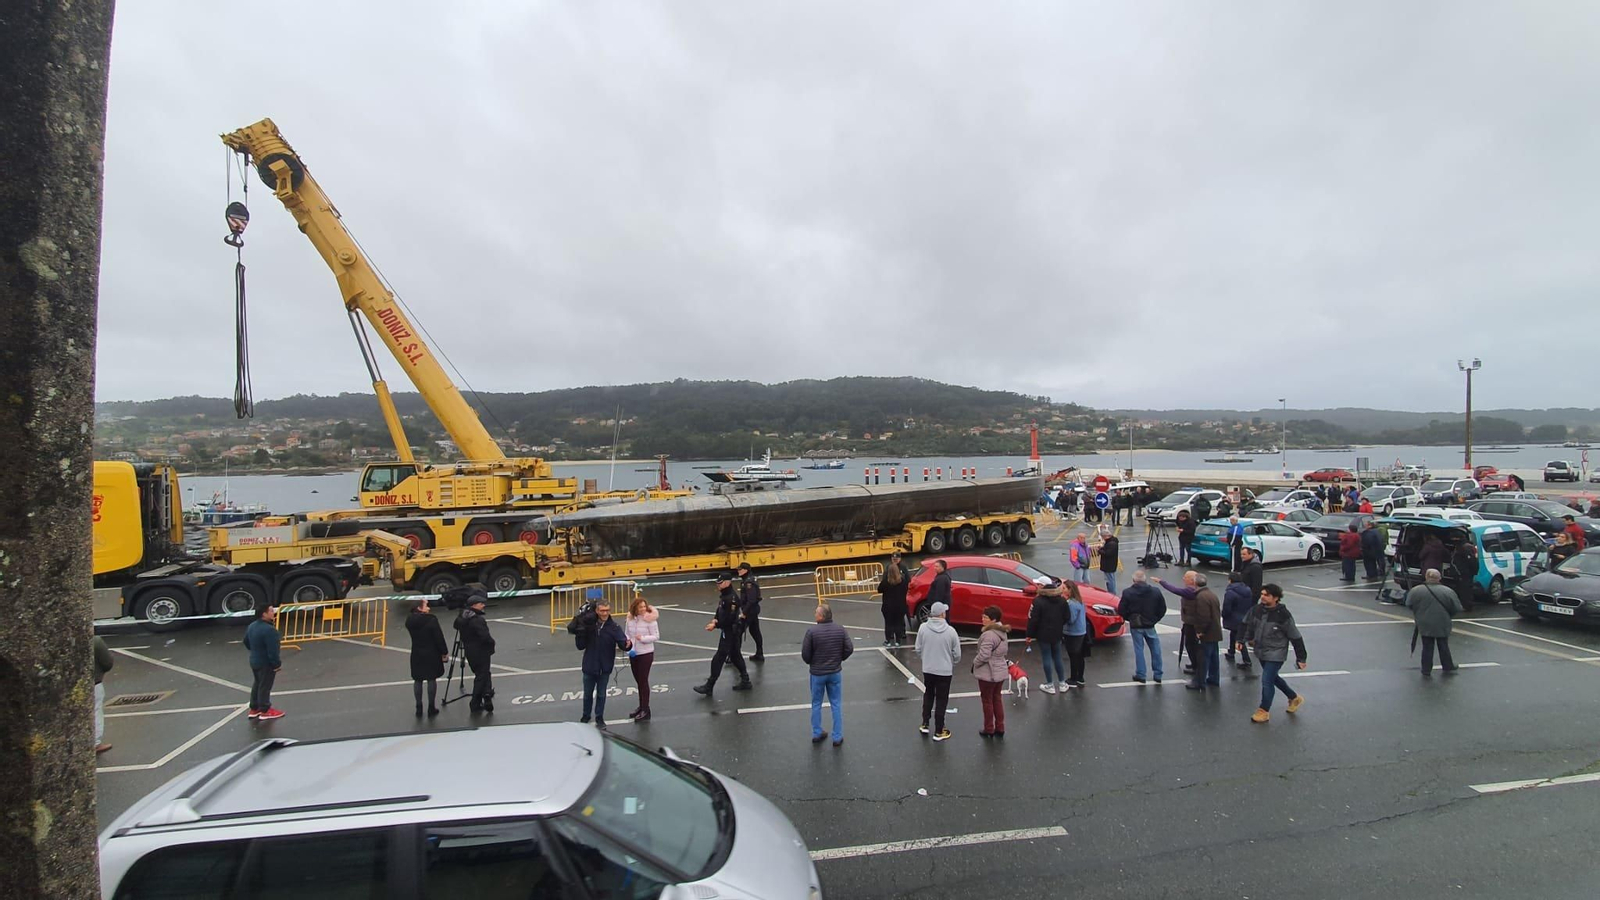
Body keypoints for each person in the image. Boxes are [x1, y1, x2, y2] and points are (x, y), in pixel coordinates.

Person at [1240, 583, 1308, 723]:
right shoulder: (1257, 610)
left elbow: (1295, 637)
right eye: (1262, 594)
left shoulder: (1283, 615)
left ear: (1276, 598)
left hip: (1276, 653)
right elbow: (1246, 624)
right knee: (1273, 678)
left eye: (1267, 595)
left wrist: (1301, 658)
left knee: (1266, 680)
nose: (1263, 597)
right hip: (1261, 650)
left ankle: (1263, 711)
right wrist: (1241, 640)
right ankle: (1294, 698)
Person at [801, 604, 854, 745]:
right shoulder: (840, 630)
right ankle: (837, 736)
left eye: (816, 613)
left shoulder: (812, 631)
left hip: (817, 673)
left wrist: (813, 662)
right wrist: (839, 659)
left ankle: (817, 732)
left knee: (816, 703)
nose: (814, 615)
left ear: (821, 616)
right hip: (834, 672)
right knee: (836, 704)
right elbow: (849, 648)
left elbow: (805, 655)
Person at [694, 573, 752, 695]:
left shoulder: (731, 598)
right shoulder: (725, 596)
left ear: (728, 582)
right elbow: (720, 609)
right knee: (735, 656)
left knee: (719, 658)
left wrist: (716, 625)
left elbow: (729, 619)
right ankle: (746, 680)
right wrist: (715, 618)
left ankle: (709, 685)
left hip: (731, 631)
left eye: (720, 583)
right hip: (729, 630)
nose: (718, 585)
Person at [578, 601, 630, 728]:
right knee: (587, 694)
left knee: (601, 694)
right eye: (602, 611)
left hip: (604, 667)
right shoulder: (589, 626)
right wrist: (580, 633)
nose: (605, 613)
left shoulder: (614, 627)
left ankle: (599, 717)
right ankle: (586, 715)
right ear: (596, 611)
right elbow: (580, 645)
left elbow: (623, 642)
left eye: (607, 610)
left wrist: (628, 645)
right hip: (590, 666)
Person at [914, 601, 962, 740]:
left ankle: (925, 723)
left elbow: (918, 648)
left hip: (928, 669)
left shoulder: (923, 628)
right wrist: (952, 662)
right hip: (944, 671)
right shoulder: (951, 631)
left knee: (928, 694)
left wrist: (925, 658)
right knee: (942, 699)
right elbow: (957, 654)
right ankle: (939, 729)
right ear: (942, 614)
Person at [1405, 569, 1462, 676]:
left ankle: (1426, 669)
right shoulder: (1448, 591)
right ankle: (1447, 665)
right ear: (1439, 578)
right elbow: (1457, 608)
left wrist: (1419, 613)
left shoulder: (1416, 590)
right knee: (1443, 645)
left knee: (1427, 646)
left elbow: (1408, 604)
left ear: (1426, 577)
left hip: (1424, 622)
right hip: (1442, 621)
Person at [1118, 570, 1167, 683]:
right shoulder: (1155, 591)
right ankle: (1158, 673)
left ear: (1134, 580)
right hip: (1150, 624)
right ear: (1145, 579)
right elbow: (1162, 608)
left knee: (1139, 649)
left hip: (1136, 624)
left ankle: (1141, 674)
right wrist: (1155, 619)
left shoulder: (1128, 592)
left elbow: (1121, 609)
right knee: (1155, 649)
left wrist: (1129, 618)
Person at [405, 596, 449, 718]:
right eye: (426, 605)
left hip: (417, 652)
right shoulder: (431, 620)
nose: (429, 607)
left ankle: (418, 707)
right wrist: (444, 652)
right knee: (431, 679)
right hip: (431, 653)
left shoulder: (409, 621)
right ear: (420, 608)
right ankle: (431, 707)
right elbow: (438, 638)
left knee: (418, 679)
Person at [454, 588, 496, 713]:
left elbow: (456, 625)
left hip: (469, 651)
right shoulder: (477, 620)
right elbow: (485, 637)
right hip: (481, 651)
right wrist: (491, 643)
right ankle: (475, 703)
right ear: (474, 605)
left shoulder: (463, 618)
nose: (483, 605)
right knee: (481, 676)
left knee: (483, 674)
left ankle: (487, 693)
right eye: (481, 603)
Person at [1024, 576, 1068, 693]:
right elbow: (1067, 617)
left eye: (1038, 584)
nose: (1036, 586)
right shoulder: (1062, 600)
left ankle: (1050, 684)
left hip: (1043, 634)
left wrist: (1029, 635)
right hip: (1057, 633)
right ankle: (1062, 683)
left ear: (1042, 586)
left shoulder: (1038, 601)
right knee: (1057, 657)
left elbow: (1033, 619)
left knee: (1046, 657)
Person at [1156, 571, 1205, 675]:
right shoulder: (1196, 590)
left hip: (1191, 623)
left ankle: (1196, 666)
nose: (1183, 578)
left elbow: (1175, 590)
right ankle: (1195, 663)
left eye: (1186, 577)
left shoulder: (1190, 591)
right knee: (1192, 645)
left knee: (1191, 645)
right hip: (1191, 621)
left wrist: (1161, 582)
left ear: (1192, 580)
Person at [972, 605, 1009, 737]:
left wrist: (975, 663)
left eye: (985, 617)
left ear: (993, 620)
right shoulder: (1002, 632)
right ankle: (1000, 726)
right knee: (997, 699)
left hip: (988, 673)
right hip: (1000, 670)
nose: (982, 619)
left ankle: (989, 728)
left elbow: (984, 655)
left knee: (987, 701)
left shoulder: (988, 634)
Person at [244, 604, 284, 721]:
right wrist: (276, 664)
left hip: (254, 660)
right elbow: (273, 650)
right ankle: (265, 709)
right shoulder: (269, 630)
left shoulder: (252, 626)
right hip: (265, 663)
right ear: (264, 614)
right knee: (265, 686)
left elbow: (246, 641)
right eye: (271, 611)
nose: (273, 613)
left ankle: (254, 708)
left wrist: (255, 651)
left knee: (257, 683)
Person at [624, 596, 660, 720]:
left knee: (643, 681)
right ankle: (641, 706)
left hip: (646, 653)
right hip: (634, 652)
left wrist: (643, 639)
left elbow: (656, 636)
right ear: (635, 608)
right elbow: (627, 633)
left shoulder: (650, 620)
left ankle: (645, 709)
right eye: (640, 607)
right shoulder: (630, 619)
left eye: (644, 607)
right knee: (638, 681)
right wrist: (627, 641)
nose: (643, 609)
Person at [1222, 570, 1255, 670]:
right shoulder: (1247, 590)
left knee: (1239, 638)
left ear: (1230, 580)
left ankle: (1247, 660)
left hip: (1234, 617)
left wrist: (1224, 615)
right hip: (1244, 616)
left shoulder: (1230, 592)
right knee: (1234, 634)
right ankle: (1231, 651)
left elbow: (1227, 608)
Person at [877, 552, 911, 648]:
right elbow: (906, 587)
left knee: (889, 623)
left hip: (888, 606)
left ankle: (888, 640)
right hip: (900, 605)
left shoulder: (885, 582)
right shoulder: (903, 582)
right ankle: (898, 641)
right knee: (898, 623)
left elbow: (879, 589)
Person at [1062, 580, 1090, 688]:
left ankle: (1073, 678)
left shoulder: (1071, 604)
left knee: (1073, 655)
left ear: (1070, 590)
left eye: (1064, 588)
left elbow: (1071, 619)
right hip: (1081, 631)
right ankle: (1080, 677)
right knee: (1079, 655)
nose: (1062, 590)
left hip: (1073, 633)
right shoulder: (1079, 601)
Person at [736, 561, 766, 662]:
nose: (738, 571)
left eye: (740, 569)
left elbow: (751, 600)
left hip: (750, 611)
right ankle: (759, 653)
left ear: (746, 570)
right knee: (754, 631)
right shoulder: (748, 580)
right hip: (752, 610)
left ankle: (736, 656)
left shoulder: (748, 582)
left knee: (738, 632)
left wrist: (744, 613)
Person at [93, 633, 114, 754]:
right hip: (94, 683)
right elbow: (107, 663)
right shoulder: (95, 641)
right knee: (96, 711)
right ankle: (95, 744)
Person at [1449, 538, 1479, 611]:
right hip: (1465, 573)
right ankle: (1466, 605)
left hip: (1464, 573)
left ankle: (1467, 606)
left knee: (1465, 590)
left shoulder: (1464, 548)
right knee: (1465, 589)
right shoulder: (1465, 547)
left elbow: (1470, 561)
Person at [1100, 531, 1120, 596]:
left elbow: (1108, 553)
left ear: (1106, 536)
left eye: (1103, 537)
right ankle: (1112, 592)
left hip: (1108, 565)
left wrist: (1100, 550)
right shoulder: (1113, 542)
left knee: (1110, 580)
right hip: (1111, 564)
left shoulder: (1111, 544)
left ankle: (1112, 593)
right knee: (1111, 579)